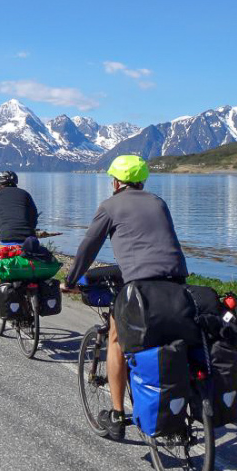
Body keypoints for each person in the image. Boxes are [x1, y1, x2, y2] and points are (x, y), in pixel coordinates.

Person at [62, 155, 188, 441]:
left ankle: (117, 416)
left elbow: (88, 248)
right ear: (141, 181)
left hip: (141, 287)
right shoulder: (158, 202)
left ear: (116, 182)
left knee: (117, 338)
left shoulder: (109, 206)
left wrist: (69, 281)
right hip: (178, 283)